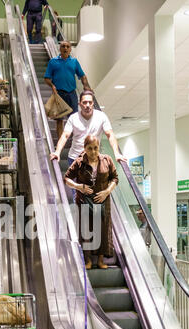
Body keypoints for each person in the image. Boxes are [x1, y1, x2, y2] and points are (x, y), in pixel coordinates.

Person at [64, 135, 119, 270]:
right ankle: (87, 260)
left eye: (96, 148)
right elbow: (67, 178)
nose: (93, 152)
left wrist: (107, 191)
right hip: (84, 201)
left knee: (103, 229)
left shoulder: (107, 160)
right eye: (90, 149)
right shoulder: (79, 162)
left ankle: (100, 260)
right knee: (85, 230)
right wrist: (79, 186)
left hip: (103, 200)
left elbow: (115, 178)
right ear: (84, 148)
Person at [44, 41, 91, 139]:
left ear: (70, 49)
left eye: (67, 47)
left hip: (72, 94)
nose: (65, 48)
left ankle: (76, 140)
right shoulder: (53, 62)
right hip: (59, 95)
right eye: (63, 46)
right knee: (59, 120)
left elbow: (82, 76)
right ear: (60, 48)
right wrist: (52, 86)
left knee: (74, 119)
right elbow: (46, 78)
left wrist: (86, 86)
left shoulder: (74, 62)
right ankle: (61, 142)